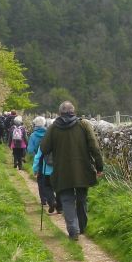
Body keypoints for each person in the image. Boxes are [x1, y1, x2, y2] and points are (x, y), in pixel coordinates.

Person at [40, 102, 104, 240]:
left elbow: (44, 148)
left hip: (62, 171)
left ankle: (73, 231)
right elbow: (94, 147)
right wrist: (99, 167)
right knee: (81, 198)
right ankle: (81, 227)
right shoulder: (83, 125)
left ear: (60, 113)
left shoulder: (53, 128)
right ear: (73, 111)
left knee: (67, 199)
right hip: (82, 169)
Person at [27, 116, 57, 213]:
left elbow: (30, 150)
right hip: (56, 166)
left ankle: (45, 200)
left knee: (43, 183)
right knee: (55, 186)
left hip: (43, 164)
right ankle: (58, 205)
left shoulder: (34, 135)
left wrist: (34, 168)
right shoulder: (48, 135)